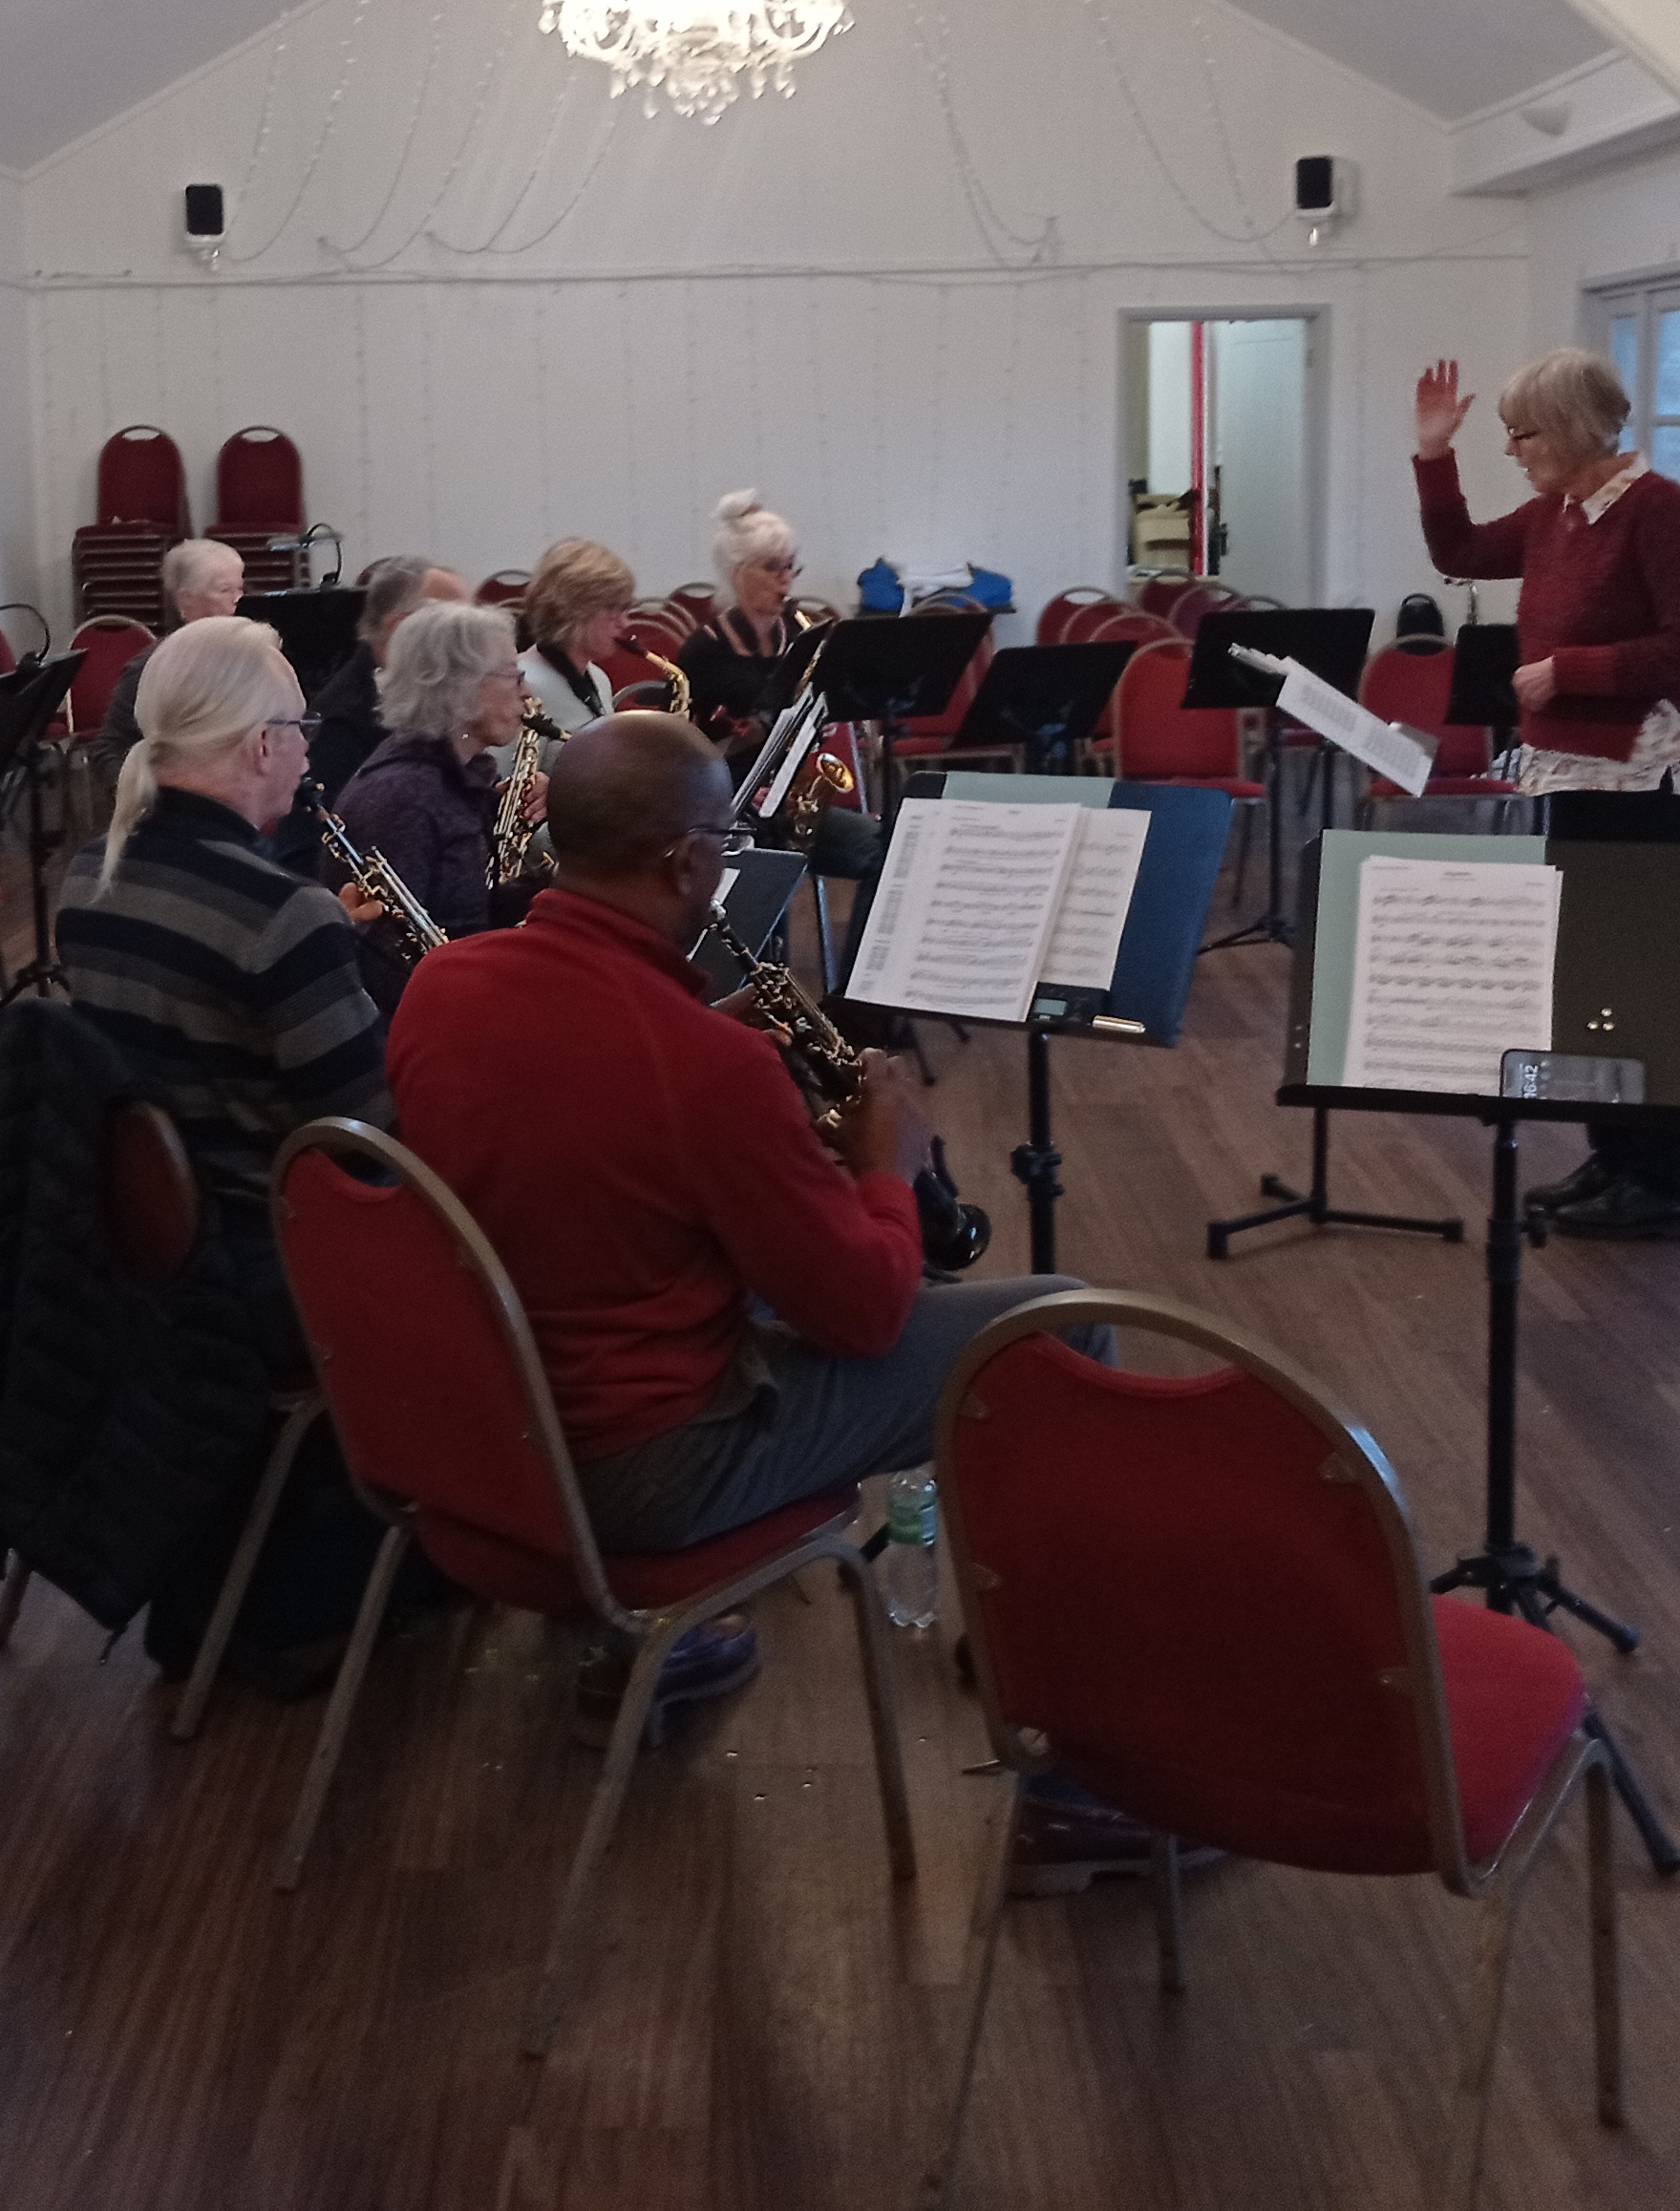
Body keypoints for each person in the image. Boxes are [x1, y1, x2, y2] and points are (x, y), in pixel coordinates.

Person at [385, 712, 1156, 1884]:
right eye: (723, 841)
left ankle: (636, 1648)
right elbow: (864, 1314)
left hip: (486, 1433)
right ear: (684, 863)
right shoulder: (707, 1073)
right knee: (1052, 1322)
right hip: (643, 1465)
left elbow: (576, 1148)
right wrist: (882, 1170)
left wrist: (716, 1077)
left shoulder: (444, 984)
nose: (727, 861)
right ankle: (1083, 1775)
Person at [54, 617, 394, 1680]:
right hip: (268, 1268)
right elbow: (370, 1151)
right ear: (257, 745)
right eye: (298, 728)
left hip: (149, 1259)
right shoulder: (281, 911)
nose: (309, 747)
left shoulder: (84, 878)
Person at [1414, 349, 1680, 1238]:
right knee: (1591, 979)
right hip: (1573, 770)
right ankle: (1615, 1154)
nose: (1512, 449)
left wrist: (1570, 673)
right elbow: (1461, 552)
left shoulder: (1659, 512)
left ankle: (1661, 1181)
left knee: (1635, 983)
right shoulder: (1559, 513)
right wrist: (1436, 454)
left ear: (1576, 431)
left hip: (1641, 773)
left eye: (1523, 433)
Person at [333, 599, 539, 946]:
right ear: (461, 683)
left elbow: (466, 916)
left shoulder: (451, 777)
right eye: (513, 674)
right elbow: (390, 952)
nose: (527, 691)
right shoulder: (404, 799)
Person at [301, 553, 465, 809]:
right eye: (454, 624)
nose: (467, 640)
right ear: (401, 626)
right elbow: (311, 838)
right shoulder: (343, 722)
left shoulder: (424, 692)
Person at [676, 490, 807, 747]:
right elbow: (682, 740)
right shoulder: (704, 648)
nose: (786, 578)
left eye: (790, 565)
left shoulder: (798, 635)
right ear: (738, 574)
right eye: (772, 567)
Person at [99, 536, 246, 755]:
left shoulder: (252, 656)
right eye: (225, 590)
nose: (238, 599)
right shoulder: (150, 666)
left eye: (240, 589)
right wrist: (147, 788)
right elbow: (109, 748)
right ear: (186, 599)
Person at [515, 537, 638, 733]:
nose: (625, 622)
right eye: (613, 608)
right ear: (574, 610)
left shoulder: (598, 678)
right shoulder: (523, 685)